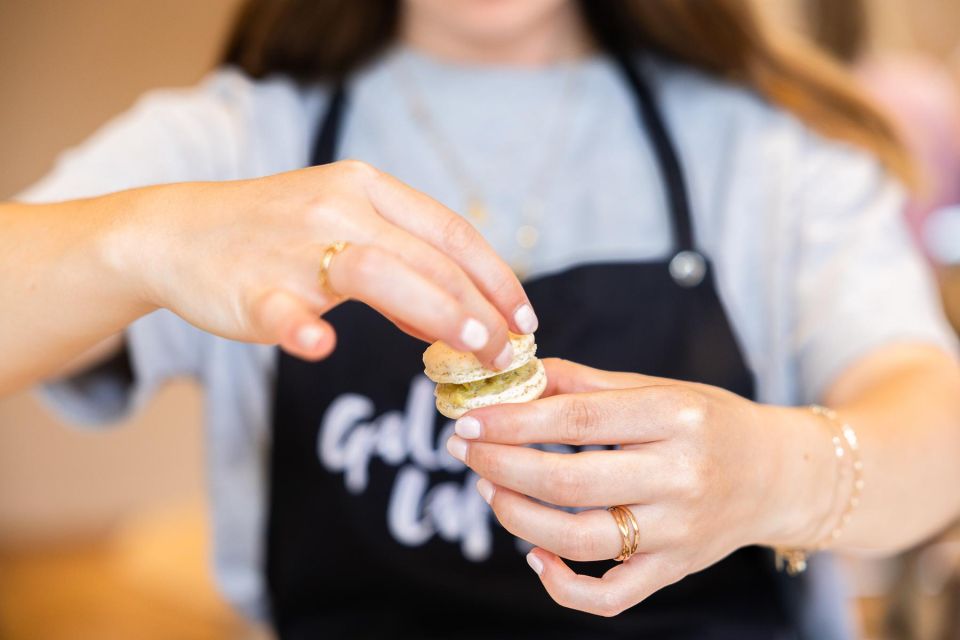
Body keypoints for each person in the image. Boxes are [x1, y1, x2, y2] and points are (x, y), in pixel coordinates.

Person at [6, 0, 960, 638]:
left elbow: (937, 430)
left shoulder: (767, 153)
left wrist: (773, 471)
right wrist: (138, 239)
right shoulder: (234, 142)